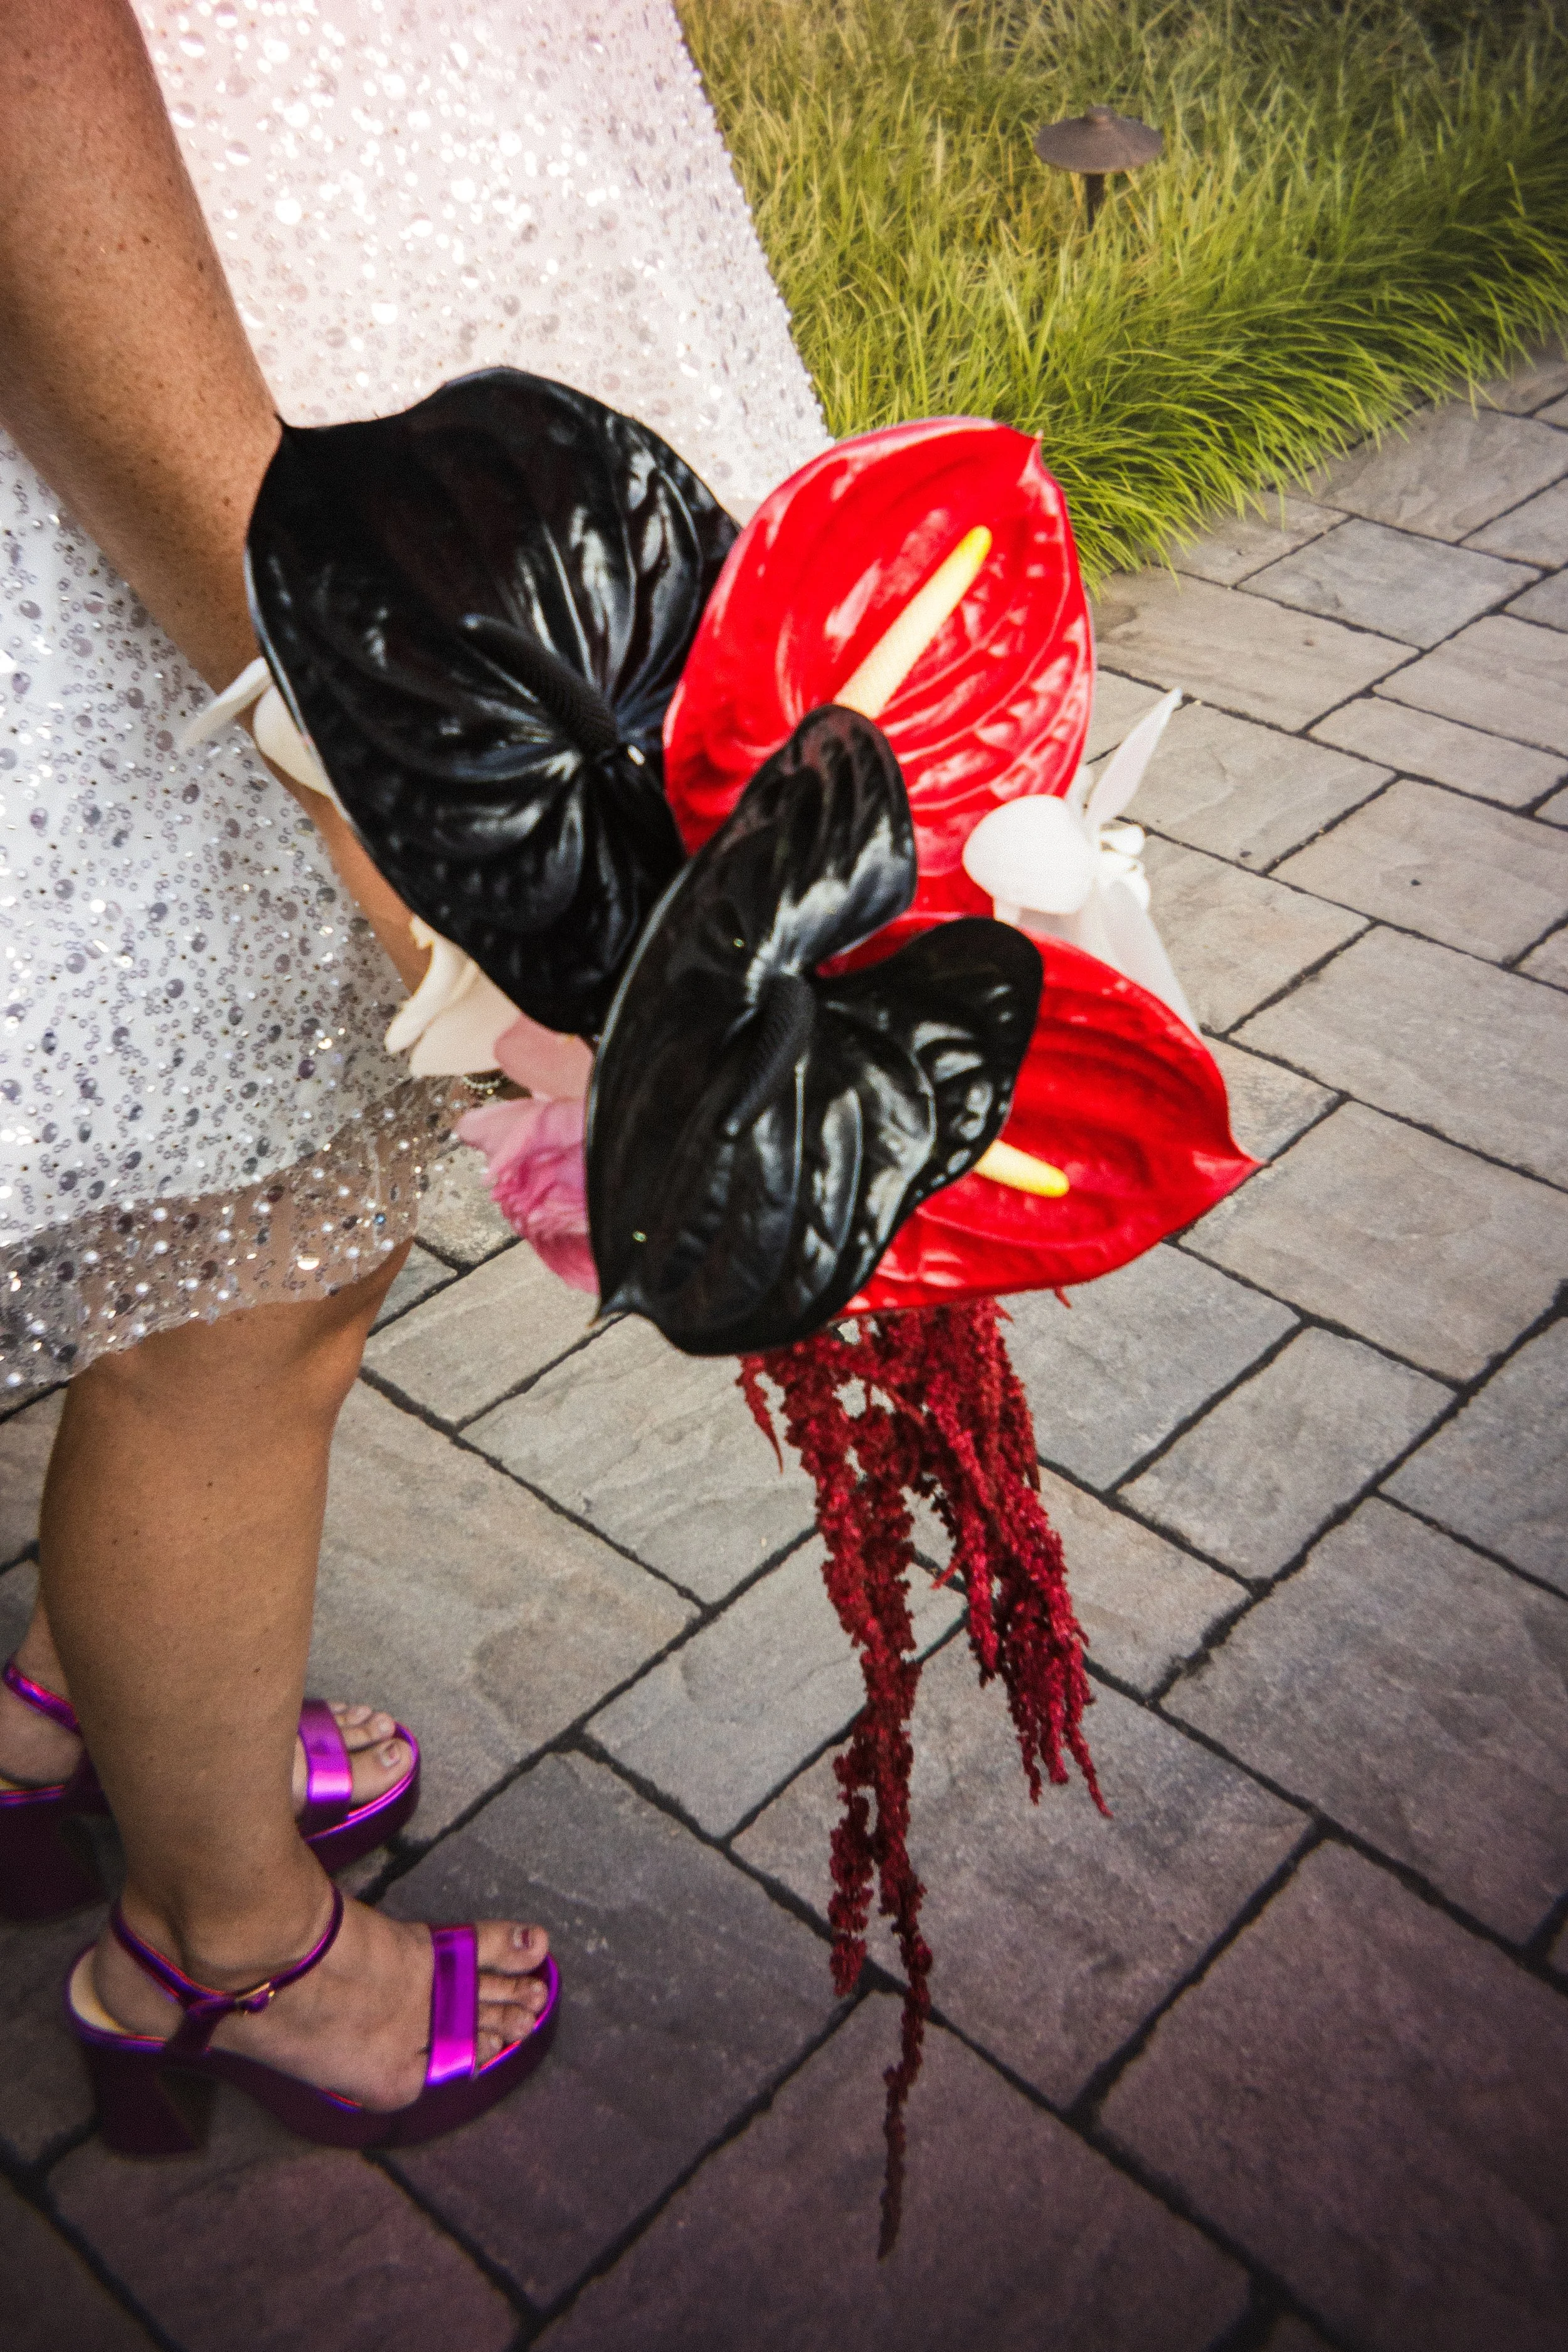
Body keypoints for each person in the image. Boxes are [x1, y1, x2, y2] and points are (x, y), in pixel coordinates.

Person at [0, 0, 823, 2134]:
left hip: (287, 315)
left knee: (235, 1244)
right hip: (173, 407)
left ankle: (93, 1709)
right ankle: (214, 1940)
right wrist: (360, 740)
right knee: (236, 1299)